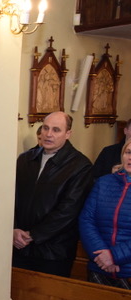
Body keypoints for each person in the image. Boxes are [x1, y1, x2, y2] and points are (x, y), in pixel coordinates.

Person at [13, 111, 93, 277]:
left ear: (68, 134)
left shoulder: (80, 165)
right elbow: (11, 197)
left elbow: (69, 210)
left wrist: (34, 235)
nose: (48, 134)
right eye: (45, 128)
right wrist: (13, 229)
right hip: (18, 244)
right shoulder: (25, 159)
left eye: (56, 130)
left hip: (53, 252)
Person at [79, 138, 131, 290]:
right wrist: (102, 256)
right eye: (128, 152)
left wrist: (114, 256)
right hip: (99, 266)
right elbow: (86, 220)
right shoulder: (104, 182)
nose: (130, 158)